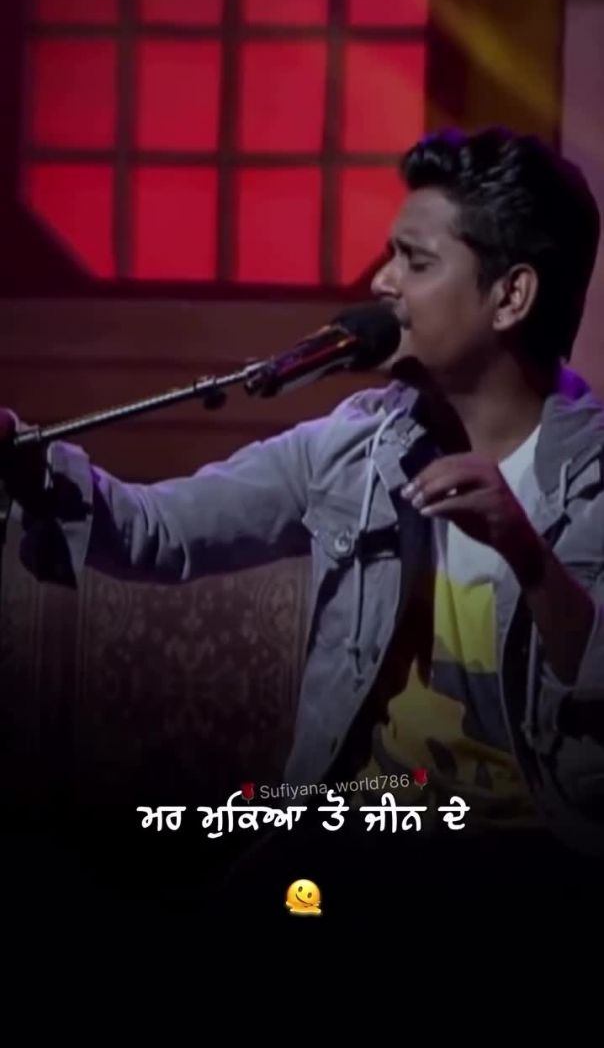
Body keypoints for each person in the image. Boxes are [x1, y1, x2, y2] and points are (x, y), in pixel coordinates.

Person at [2, 126, 604, 923]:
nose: (383, 281)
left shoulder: (593, 480)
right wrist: (28, 462)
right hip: (362, 839)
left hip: (536, 860)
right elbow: (159, 533)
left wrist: (528, 557)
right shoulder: (356, 445)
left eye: (416, 262)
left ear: (511, 296)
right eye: (390, 256)